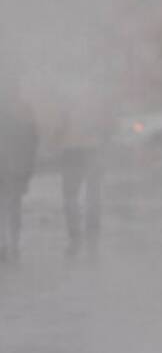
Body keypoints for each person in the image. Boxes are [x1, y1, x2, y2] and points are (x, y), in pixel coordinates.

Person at [52, 86, 115, 257]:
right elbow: (107, 128)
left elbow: (57, 131)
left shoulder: (66, 107)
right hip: (92, 150)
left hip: (72, 152)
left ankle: (75, 234)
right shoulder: (96, 107)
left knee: (71, 195)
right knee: (92, 194)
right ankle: (92, 231)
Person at [0, 76, 38, 262]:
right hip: (17, 165)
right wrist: (29, 165)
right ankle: (12, 242)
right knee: (14, 205)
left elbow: (32, 139)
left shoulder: (19, 110)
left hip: (9, 164)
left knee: (5, 204)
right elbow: (32, 140)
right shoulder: (24, 110)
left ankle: (5, 243)